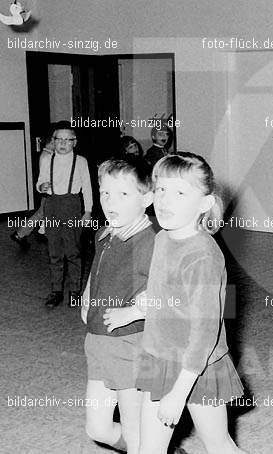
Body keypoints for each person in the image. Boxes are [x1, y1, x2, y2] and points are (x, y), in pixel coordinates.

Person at [104, 152, 245, 453]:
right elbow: (166, 295)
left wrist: (179, 393)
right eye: (162, 190)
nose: (166, 201)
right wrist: (134, 309)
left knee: (219, 446)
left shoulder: (203, 256)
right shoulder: (163, 238)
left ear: (204, 204)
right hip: (160, 357)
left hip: (197, 368)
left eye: (180, 192)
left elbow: (205, 332)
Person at [81, 156, 157, 452]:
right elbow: (99, 266)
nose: (110, 202)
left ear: (147, 198)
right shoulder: (105, 233)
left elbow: (174, 294)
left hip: (131, 344)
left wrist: (136, 310)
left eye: (123, 194)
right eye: (105, 193)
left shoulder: (151, 242)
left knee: (135, 429)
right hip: (98, 341)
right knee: (96, 427)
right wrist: (88, 292)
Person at [36, 121, 93, 308]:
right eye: (59, 139)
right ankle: (56, 291)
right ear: (53, 141)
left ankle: (75, 290)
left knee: (73, 251)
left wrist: (88, 211)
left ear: (74, 142)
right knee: (54, 251)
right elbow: (40, 181)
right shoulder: (47, 159)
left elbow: (87, 187)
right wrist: (41, 187)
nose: (63, 143)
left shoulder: (81, 161)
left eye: (68, 140)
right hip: (52, 206)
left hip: (72, 206)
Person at [10, 135, 54, 249]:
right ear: (50, 142)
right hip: (48, 191)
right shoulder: (47, 157)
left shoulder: (47, 155)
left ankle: (23, 233)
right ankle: (25, 233)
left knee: (42, 213)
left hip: (47, 191)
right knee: (42, 213)